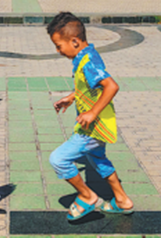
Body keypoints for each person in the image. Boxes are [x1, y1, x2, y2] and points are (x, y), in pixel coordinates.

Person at [46, 12, 133, 221]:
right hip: (99, 126)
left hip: (92, 128)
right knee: (98, 160)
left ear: (74, 41)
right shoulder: (84, 56)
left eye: (59, 46)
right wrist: (72, 97)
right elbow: (90, 86)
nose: (58, 51)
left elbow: (111, 86)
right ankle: (122, 200)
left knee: (58, 159)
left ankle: (87, 195)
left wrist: (93, 112)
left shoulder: (88, 62)